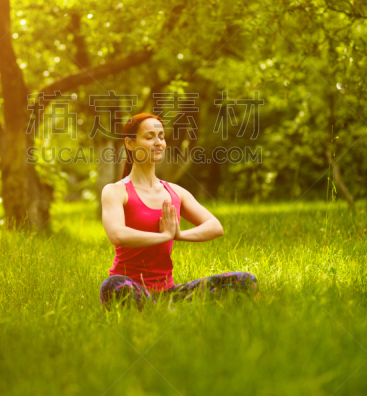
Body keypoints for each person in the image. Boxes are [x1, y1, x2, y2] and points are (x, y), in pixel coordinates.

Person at [99, 112, 258, 310]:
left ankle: (161, 307)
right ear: (130, 144)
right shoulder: (115, 191)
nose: (158, 142)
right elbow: (117, 234)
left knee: (245, 280)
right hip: (130, 287)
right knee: (111, 285)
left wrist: (179, 235)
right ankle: (156, 308)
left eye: (161, 136)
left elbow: (215, 227)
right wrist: (165, 235)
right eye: (149, 137)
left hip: (169, 292)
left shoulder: (175, 191)